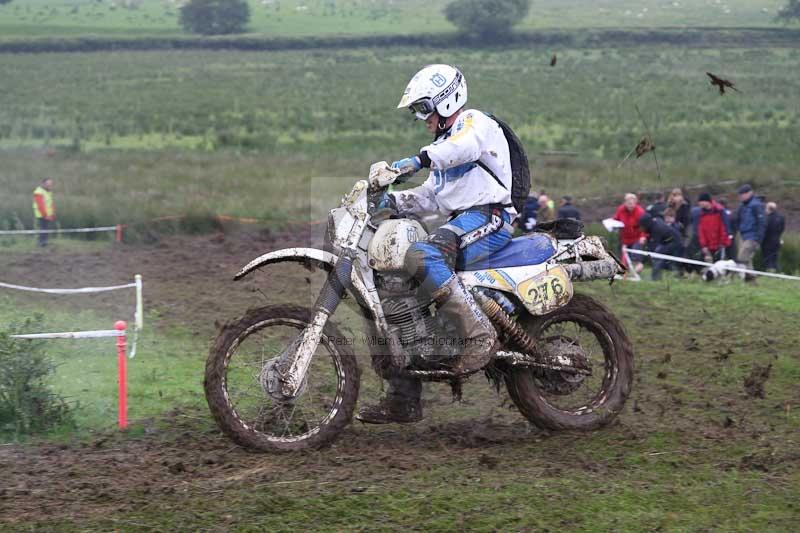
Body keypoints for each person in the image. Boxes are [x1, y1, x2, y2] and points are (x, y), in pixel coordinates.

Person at [358, 64, 517, 424]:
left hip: (490, 217)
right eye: (417, 112)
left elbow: (465, 148)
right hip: (460, 221)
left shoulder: (474, 124)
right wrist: (390, 202)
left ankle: (479, 337)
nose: (422, 119)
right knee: (396, 289)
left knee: (422, 254)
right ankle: (404, 398)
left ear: (447, 101)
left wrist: (413, 161)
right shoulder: (442, 147)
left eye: (423, 109)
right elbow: (432, 196)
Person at [734, 184, 766, 281]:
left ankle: (744, 278)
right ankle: (752, 280)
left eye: (743, 194)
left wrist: (758, 240)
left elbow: (762, 223)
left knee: (742, 257)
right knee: (747, 259)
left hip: (752, 236)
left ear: (749, 193)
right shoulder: (742, 206)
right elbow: (736, 218)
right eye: (740, 195)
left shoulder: (756, 205)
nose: (741, 197)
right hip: (743, 235)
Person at [638, 212, 684, 280]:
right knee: (662, 255)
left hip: (675, 242)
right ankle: (676, 273)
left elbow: (651, 249)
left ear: (646, 224)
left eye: (642, 226)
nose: (641, 228)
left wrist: (642, 263)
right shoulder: (653, 224)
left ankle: (655, 279)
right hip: (667, 241)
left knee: (657, 254)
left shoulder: (657, 229)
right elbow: (650, 239)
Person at [692, 192, 732, 263]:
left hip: (720, 245)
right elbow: (701, 231)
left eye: (700, 202)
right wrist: (704, 245)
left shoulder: (719, 211)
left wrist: (723, 243)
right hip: (709, 246)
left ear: (706, 201)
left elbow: (724, 228)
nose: (699, 204)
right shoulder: (701, 214)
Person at [613, 193, 646, 274]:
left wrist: (643, 236)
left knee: (636, 256)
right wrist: (612, 224)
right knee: (623, 258)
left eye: (633, 203)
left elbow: (644, 226)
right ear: (625, 203)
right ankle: (624, 272)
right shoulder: (621, 209)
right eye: (629, 203)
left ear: (636, 203)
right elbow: (616, 219)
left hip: (636, 238)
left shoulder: (640, 211)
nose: (631, 205)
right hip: (624, 239)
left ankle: (637, 270)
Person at [762, 202, 785, 272]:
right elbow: (782, 228)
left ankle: (770, 273)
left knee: (768, 259)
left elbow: (765, 230)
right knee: (775, 258)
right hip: (777, 240)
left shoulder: (767, 219)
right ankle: (777, 272)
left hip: (767, 242)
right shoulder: (781, 217)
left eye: (766, 208)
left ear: (769, 209)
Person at [32, 178, 56, 247]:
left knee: (46, 228)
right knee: (43, 228)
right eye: (47, 184)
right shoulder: (39, 192)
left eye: (51, 184)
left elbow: (51, 203)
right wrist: (45, 215)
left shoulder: (48, 191)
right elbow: (40, 205)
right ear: (43, 184)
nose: (49, 185)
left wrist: (52, 213)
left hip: (48, 214)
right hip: (42, 214)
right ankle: (41, 243)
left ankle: (44, 242)